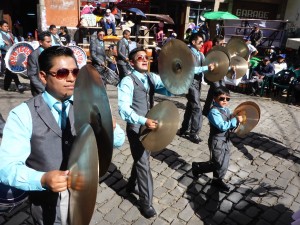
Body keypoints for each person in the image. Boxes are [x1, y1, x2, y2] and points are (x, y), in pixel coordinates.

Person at [0, 46, 125, 224]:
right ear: (43, 77)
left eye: (75, 72)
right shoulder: (22, 114)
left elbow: (118, 142)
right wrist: (41, 179)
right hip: (46, 205)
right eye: (62, 73)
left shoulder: (89, 102)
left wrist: (110, 127)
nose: (71, 78)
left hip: (83, 197)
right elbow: (6, 168)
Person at [118, 47, 172, 218]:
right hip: (136, 128)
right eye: (139, 57)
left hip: (150, 127)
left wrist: (181, 74)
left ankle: (130, 185)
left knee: (141, 158)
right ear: (132, 62)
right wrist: (143, 121)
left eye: (146, 57)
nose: (144, 59)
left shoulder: (151, 77)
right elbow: (123, 109)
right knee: (143, 164)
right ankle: (146, 203)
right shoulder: (127, 81)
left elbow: (168, 83)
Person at [192, 86, 243, 192]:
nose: (225, 101)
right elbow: (222, 126)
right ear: (215, 98)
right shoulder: (213, 112)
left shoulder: (226, 110)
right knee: (217, 163)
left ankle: (217, 180)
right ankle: (198, 167)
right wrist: (234, 120)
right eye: (222, 98)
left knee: (225, 161)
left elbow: (230, 125)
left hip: (226, 139)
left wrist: (236, 121)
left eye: (227, 99)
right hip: (217, 140)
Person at [177, 33, 214, 143]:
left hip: (197, 82)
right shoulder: (187, 53)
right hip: (190, 82)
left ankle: (184, 128)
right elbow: (189, 69)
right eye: (200, 42)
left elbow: (205, 66)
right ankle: (194, 133)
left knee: (191, 105)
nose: (202, 44)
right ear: (193, 42)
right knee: (197, 107)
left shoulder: (200, 54)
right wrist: (206, 67)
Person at [202, 35, 226, 117]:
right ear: (216, 43)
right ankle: (216, 110)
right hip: (211, 76)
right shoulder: (211, 52)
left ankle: (206, 110)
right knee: (218, 91)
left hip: (219, 75)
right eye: (222, 43)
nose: (223, 45)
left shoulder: (222, 52)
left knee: (213, 92)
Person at [0, 20, 25, 93]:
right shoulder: (0, 34)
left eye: (7, 26)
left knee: (9, 70)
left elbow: (16, 41)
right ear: (0, 27)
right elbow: (1, 44)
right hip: (6, 54)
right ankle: (18, 84)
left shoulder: (10, 34)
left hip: (13, 54)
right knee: (12, 68)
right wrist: (5, 45)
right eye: (5, 26)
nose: (6, 27)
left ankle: (6, 86)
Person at [27, 31, 52, 96]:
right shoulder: (34, 55)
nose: (50, 44)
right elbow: (32, 75)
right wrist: (43, 89)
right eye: (48, 42)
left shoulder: (50, 53)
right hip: (39, 90)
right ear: (40, 42)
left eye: (51, 41)